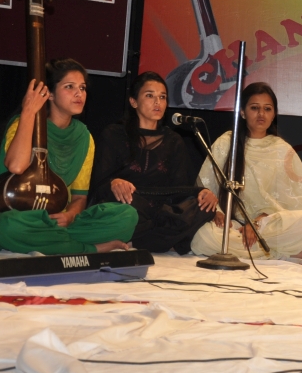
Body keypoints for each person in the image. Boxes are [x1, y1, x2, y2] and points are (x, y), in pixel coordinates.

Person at [0, 59, 137, 254]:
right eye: (69, 87)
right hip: (22, 218)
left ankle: (54, 242)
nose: (79, 93)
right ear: (49, 93)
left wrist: (71, 216)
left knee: (127, 216)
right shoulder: (23, 124)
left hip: (58, 222)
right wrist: (29, 112)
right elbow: (16, 166)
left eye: (82, 88)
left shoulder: (84, 137)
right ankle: (91, 249)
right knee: (5, 226)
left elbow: (79, 197)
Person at [89, 72, 217, 253]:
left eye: (162, 97)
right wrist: (113, 182)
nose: (158, 102)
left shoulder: (174, 140)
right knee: (125, 208)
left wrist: (201, 193)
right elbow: (97, 184)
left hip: (161, 208)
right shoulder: (114, 134)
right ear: (133, 101)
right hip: (128, 203)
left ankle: (135, 241)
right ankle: (161, 239)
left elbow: (180, 189)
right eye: (150, 96)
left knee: (204, 207)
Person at [190, 82, 302, 261]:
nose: (261, 114)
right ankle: (278, 253)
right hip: (233, 225)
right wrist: (217, 212)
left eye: (267, 109)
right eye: (255, 108)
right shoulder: (227, 142)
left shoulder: (283, 150)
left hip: (266, 227)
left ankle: (257, 248)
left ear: (274, 114)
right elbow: (205, 186)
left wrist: (258, 223)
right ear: (243, 112)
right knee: (202, 238)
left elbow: (299, 203)